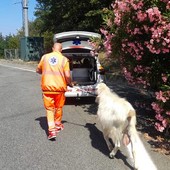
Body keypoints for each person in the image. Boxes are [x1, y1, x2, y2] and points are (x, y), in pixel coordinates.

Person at [36, 42, 72, 140]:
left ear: (52, 48)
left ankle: (52, 131)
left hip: (47, 89)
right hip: (60, 89)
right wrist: (70, 83)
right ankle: (58, 125)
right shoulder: (64, 60)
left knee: (49, 109)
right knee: (59, 107)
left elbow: (38, 70)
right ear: (61, 50)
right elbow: (68, 76)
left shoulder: (44, 57)